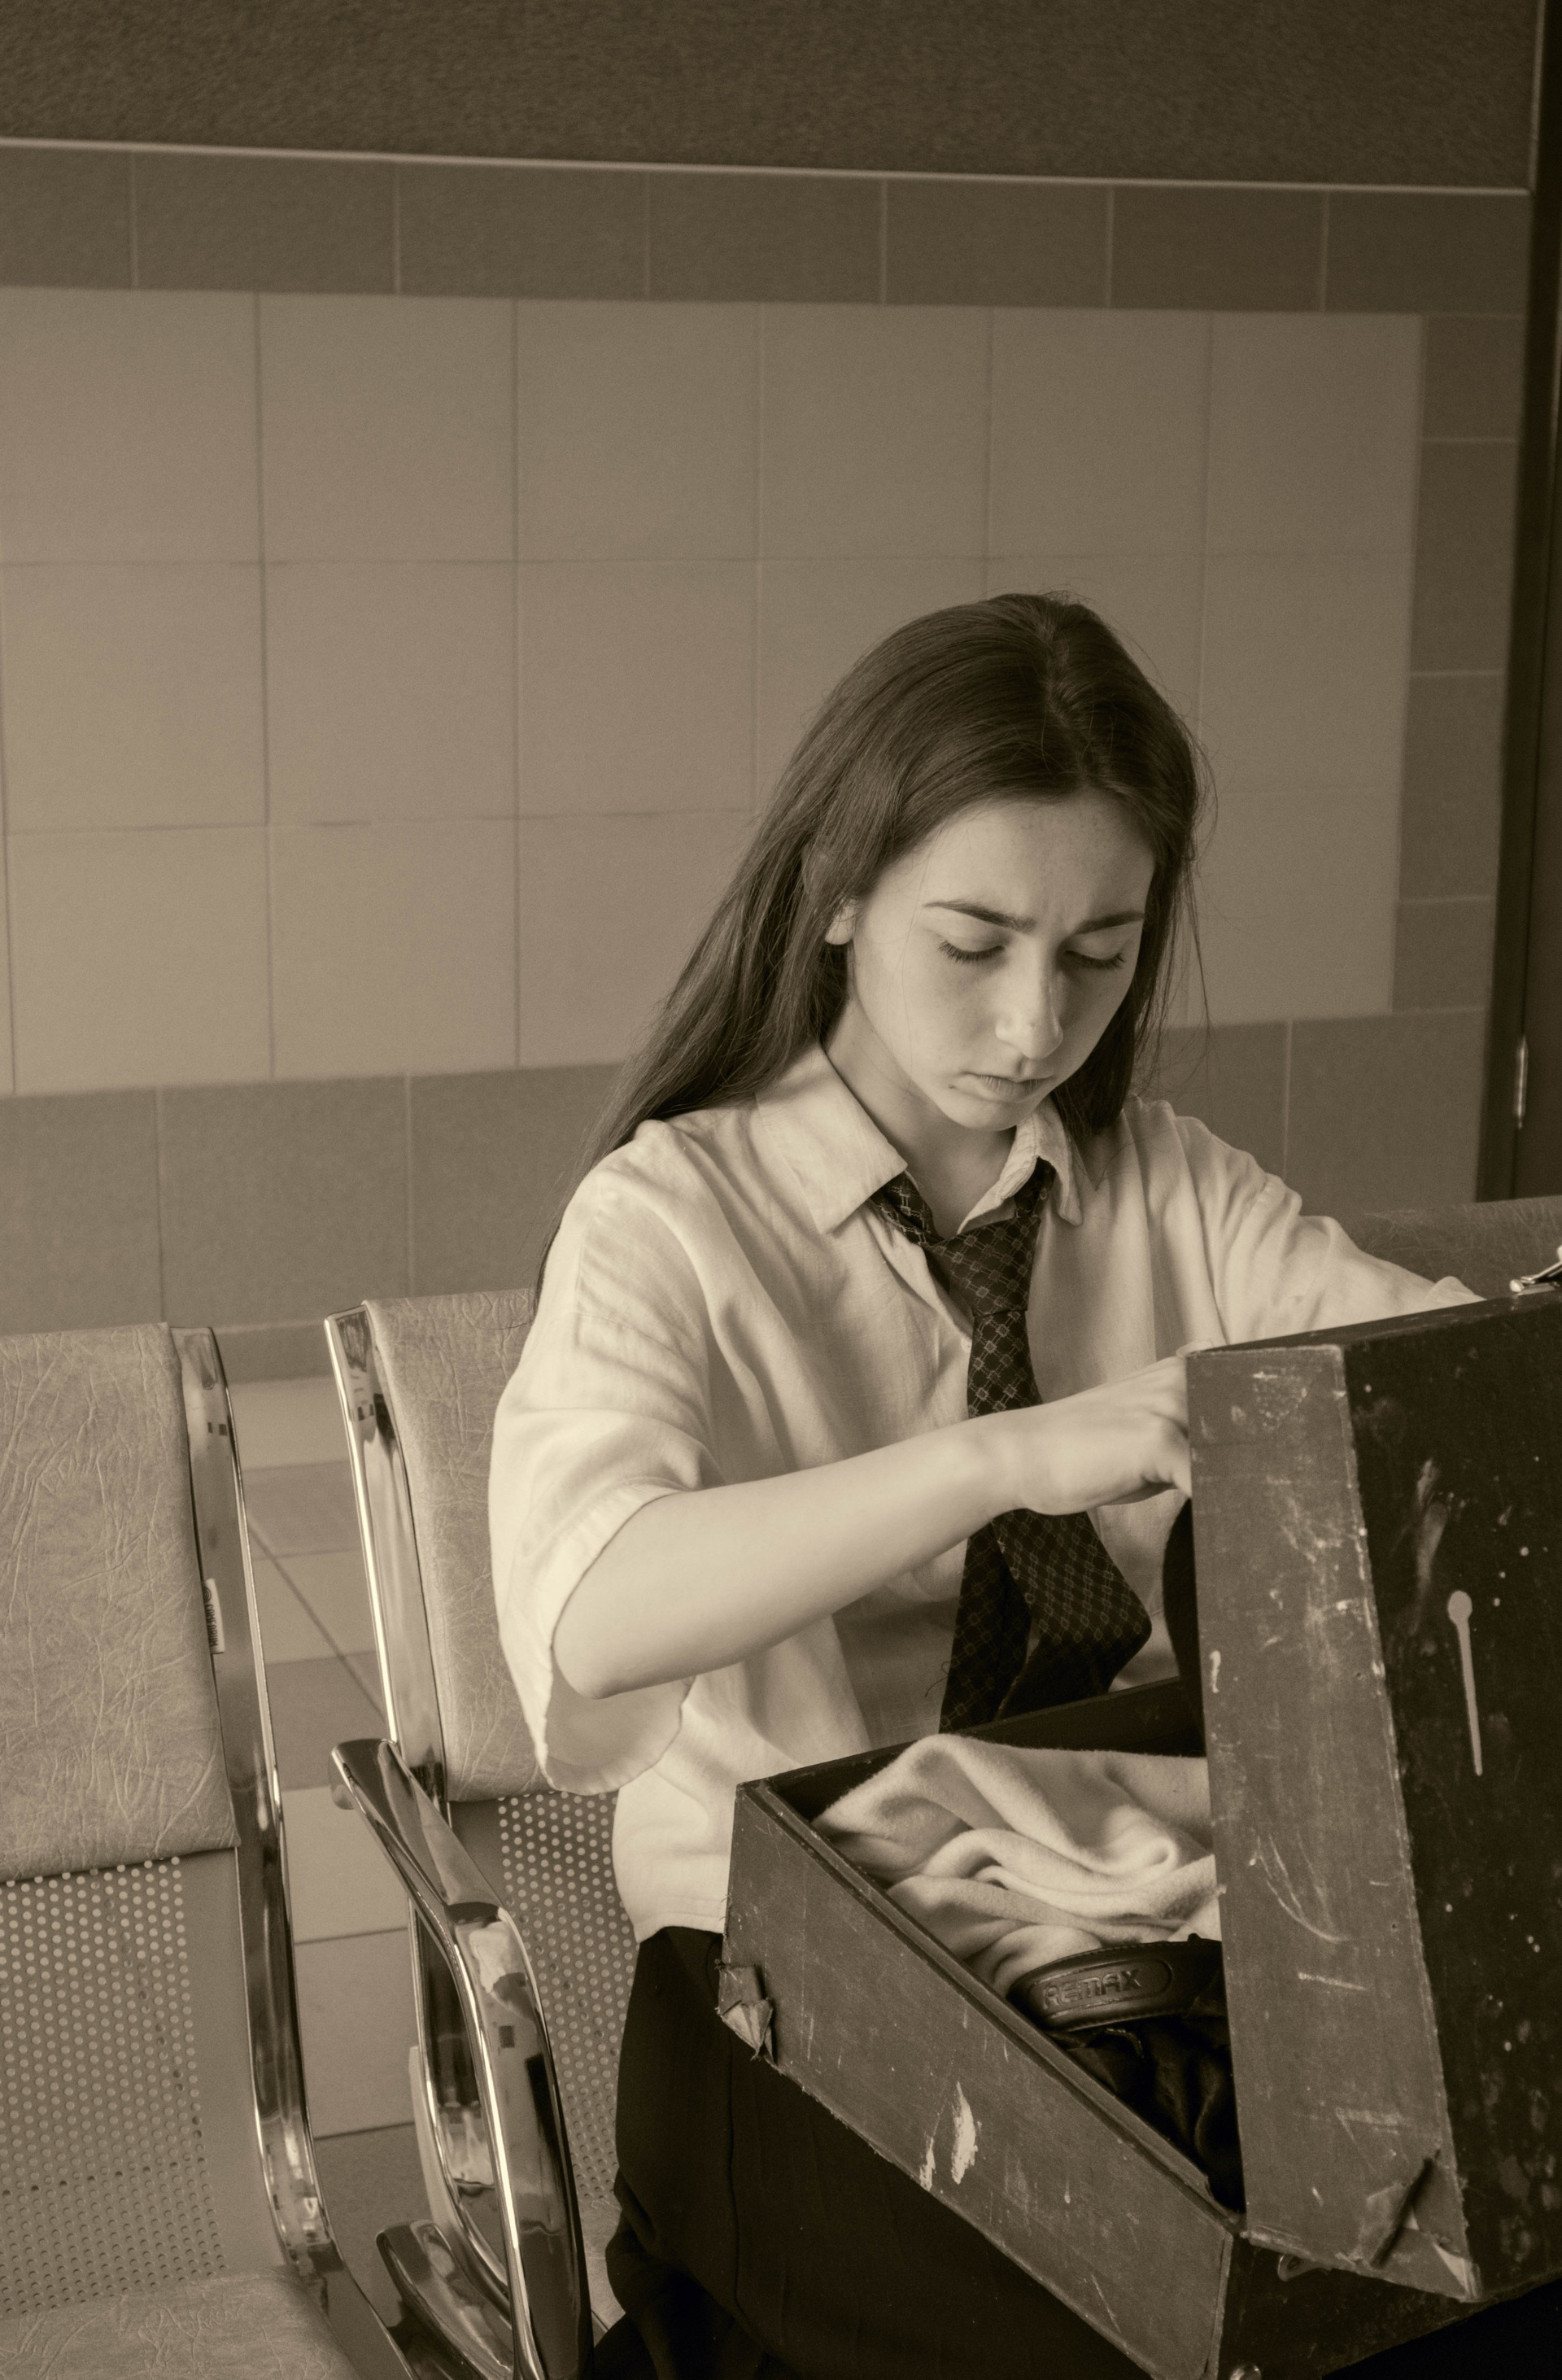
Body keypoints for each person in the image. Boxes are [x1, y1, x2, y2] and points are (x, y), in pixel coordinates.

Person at [486, 594, 1518, 2378]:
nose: (1037, 1022)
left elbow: (1444, 1381)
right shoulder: (667, 1218)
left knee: (1436, 2277)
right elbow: (596, 1609)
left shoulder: (1171, 1186)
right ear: (838, 893)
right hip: (781, 1978)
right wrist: (1007, 1455)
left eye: (1101, 952)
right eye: (974, 942)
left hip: (1130, 1926)